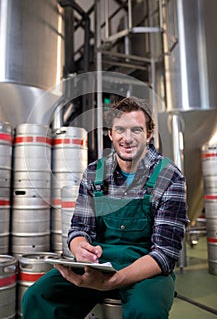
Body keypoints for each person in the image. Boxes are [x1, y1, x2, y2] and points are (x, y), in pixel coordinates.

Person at [22, 96, 189, 319]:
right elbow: (80, 228)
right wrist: (79, 247)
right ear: (110, 134)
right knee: (37, 296)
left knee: (145, 311)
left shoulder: (169, 177)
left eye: (136, 130)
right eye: (120, 129)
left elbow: (165, 253)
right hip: (100, 264)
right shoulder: (94, 172)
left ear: (149, 135)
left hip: (147, 269)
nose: (127, 138)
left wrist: (113, 281)